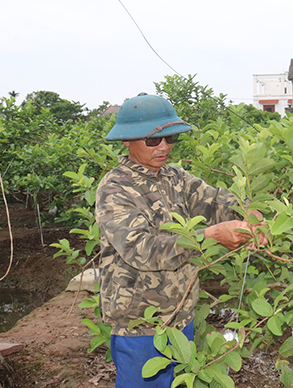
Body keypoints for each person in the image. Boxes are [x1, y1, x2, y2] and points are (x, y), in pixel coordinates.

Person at [95, 93, 264, 387]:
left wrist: (249, 210)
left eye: (170, 138)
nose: (164, 147)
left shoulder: (175, 177)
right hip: (140, 324)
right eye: (153, 140)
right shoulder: (115, 188)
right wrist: (210, 235)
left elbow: (214, 201)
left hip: (181, 314)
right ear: (127, 140)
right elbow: (142, 249)